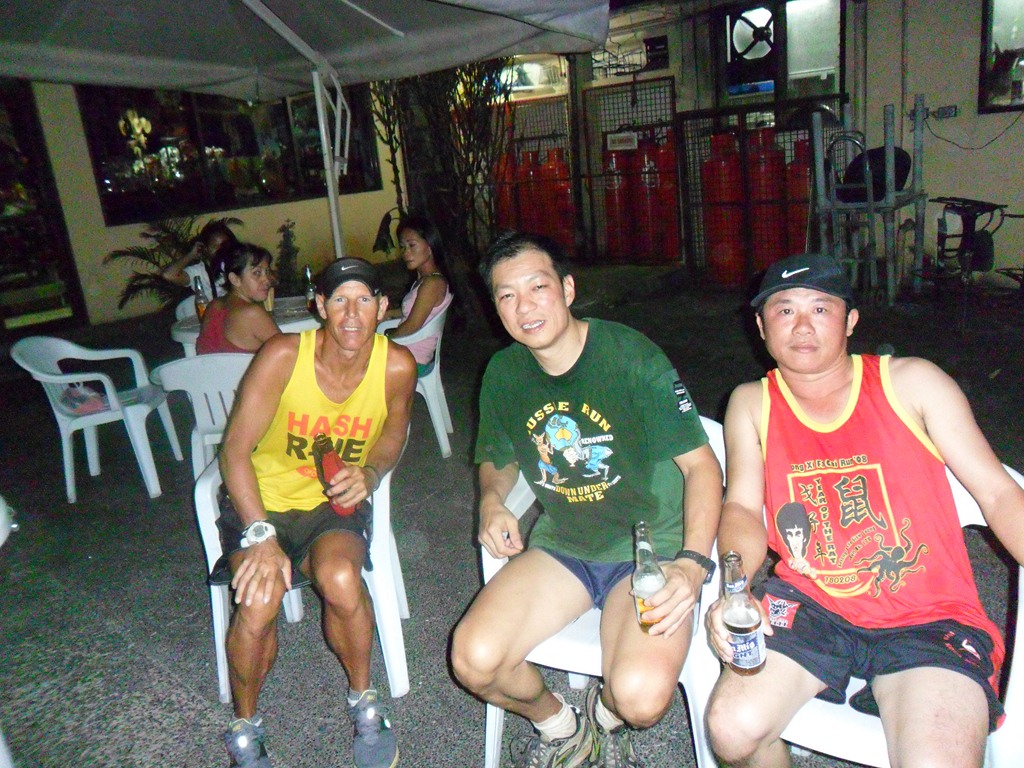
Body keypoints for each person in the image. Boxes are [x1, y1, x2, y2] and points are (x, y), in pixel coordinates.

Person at [704, 253, 1024, 767]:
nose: (802, 326)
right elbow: (741, 506)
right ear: (761, 327)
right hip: (812, 603)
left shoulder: (911, 382)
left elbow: (998, 494)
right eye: (784, 310)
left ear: (850, 320)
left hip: (928, 615)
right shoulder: (751, 402)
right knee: (731, 728)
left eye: (820, 309)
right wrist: (734, 588)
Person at [450, 232, 723, 767]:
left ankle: (606, 713)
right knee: (473, 661)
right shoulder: (504, 372)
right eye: (507, 295)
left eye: (538, 287)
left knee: (640, 699)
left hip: (650, 548)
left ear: (568, 289)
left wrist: (692, 564)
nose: (525, 307)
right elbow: (498, 457)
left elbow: (702, 466)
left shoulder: (630, 356)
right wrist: (492, 500)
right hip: (565, 545)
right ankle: (562, 727)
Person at [216, 257, 416, 768]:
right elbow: (234, 450)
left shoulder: (396, 365)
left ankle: (365, 705)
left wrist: (370, 472)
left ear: (382, 307)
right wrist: (260, 535)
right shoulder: (284, 355)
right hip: (261, 503)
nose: (352, 315)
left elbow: (394, 432)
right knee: (259, 599)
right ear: (320, 306)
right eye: (339, 300)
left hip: (332, 505)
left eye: (364, 300)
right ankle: (245, 728)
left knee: (342, 578)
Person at [382, 215, 452, 375]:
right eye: (403, 247)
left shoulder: (433, 283)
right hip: (406, 353)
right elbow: (413, 310)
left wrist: (383, 341)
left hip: (411, 359)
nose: (405, 253)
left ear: (430, 245)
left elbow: (412, 325)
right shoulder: (425, 280)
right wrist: (387, 314)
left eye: (412, 245)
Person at [196, 242, 280, 354]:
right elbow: (291, 352)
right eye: (257, 273)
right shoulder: (252, 313)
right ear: (235, 279)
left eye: (267, 272)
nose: (267, 280)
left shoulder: (214, 305)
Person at [161, 219, 239, 298]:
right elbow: (169, 275)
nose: (221, 250)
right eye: (215, 246)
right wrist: (191, 254)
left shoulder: (238, 262)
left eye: (224, 245)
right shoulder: (198, 271)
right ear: (205, 249)